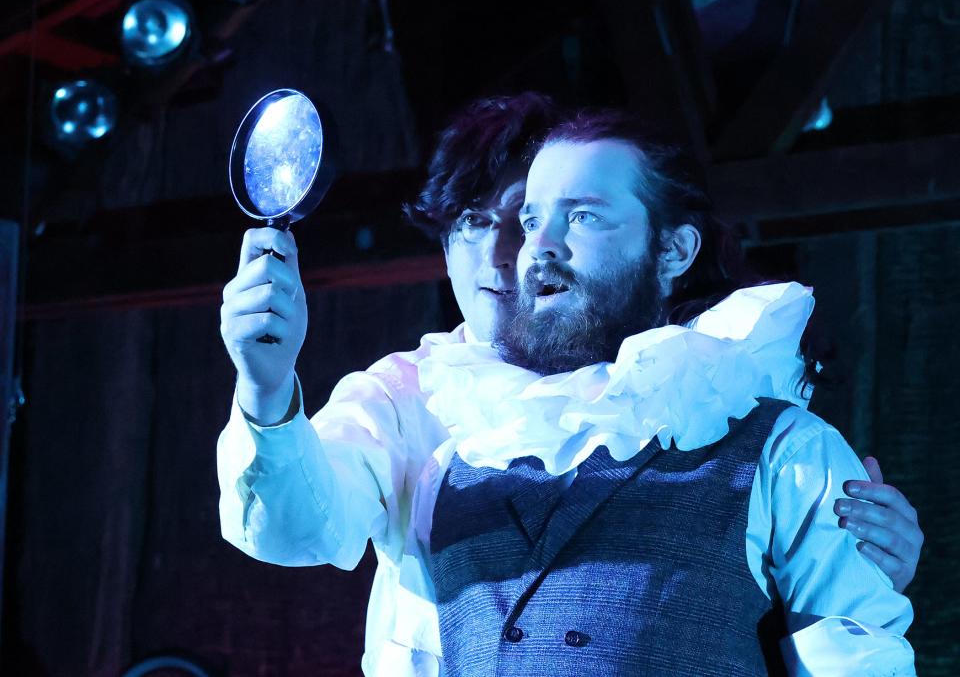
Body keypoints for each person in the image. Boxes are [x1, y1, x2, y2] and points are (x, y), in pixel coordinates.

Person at [217, 95, 923, 676]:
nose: (514, 253)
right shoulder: (411, 397)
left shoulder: (725, 404)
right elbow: (295, 525)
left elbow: (840, 629)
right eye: (476, 223)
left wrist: (853, 561)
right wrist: (266, 390)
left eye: (563, 215)